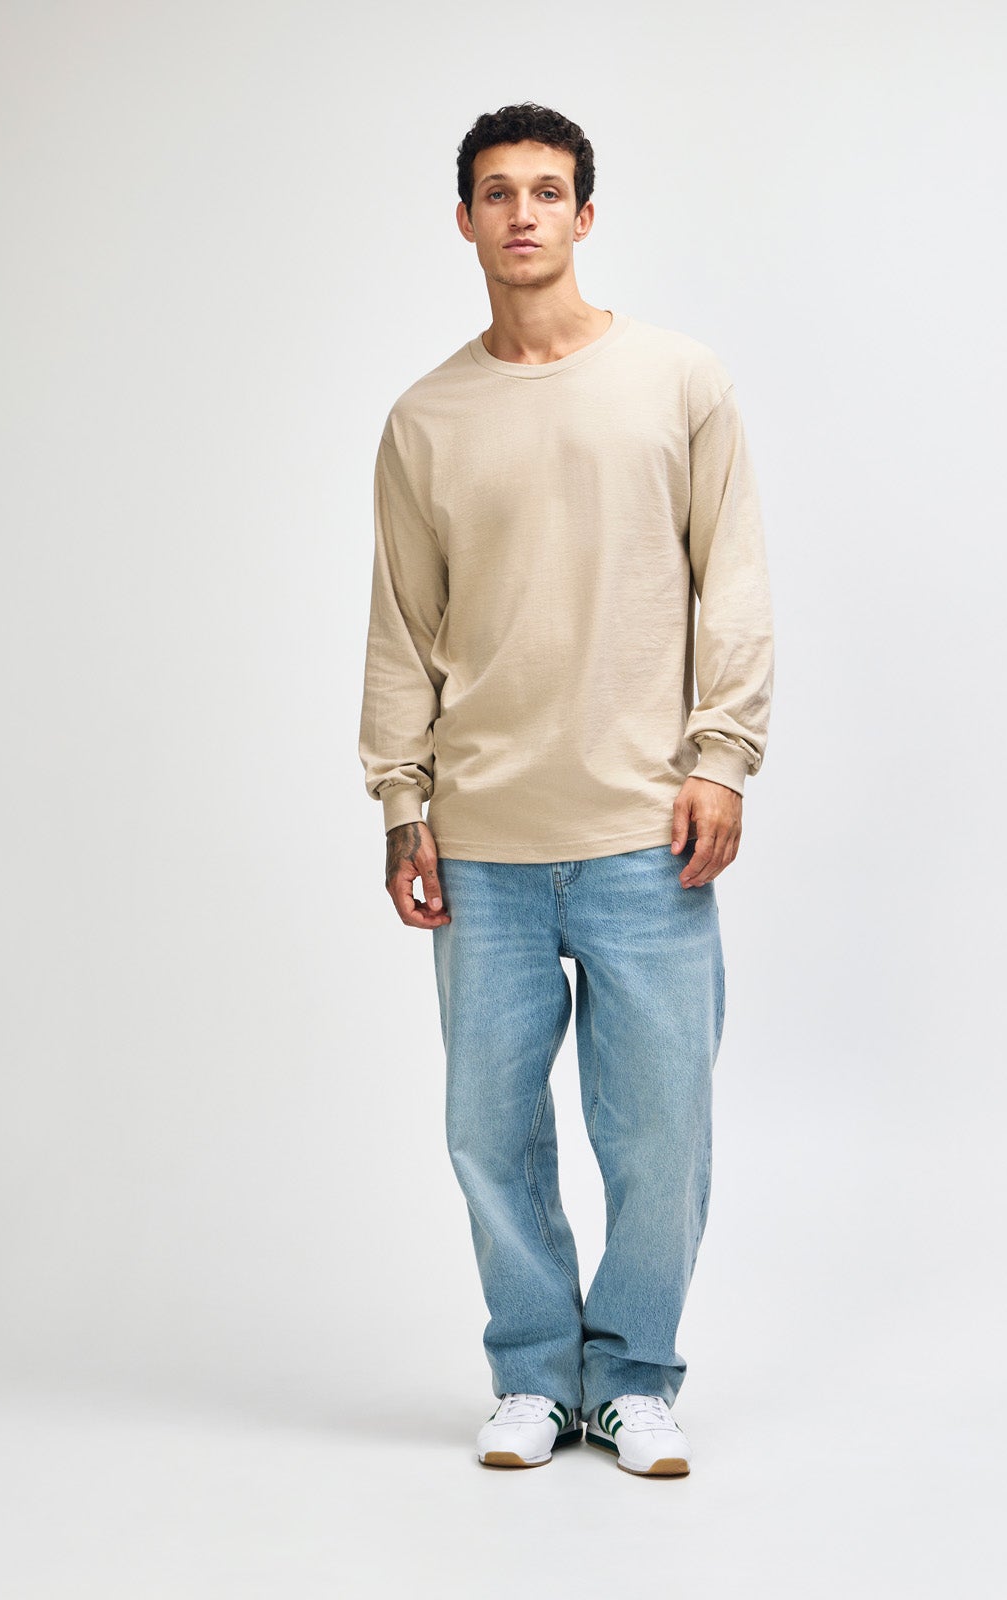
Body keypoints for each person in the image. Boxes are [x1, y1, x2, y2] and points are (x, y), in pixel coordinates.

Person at [358, 101, 775, 1478]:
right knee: (489, 1127)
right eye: (498, 191)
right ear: (466, 220)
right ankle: (535, 1374)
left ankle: (635, 1375)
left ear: (586, 217)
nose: (524, 212)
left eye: (549, 190)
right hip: (480, 838)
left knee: (661, 1128)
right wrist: (401, 802)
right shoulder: (426, 418)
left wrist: (723, 757)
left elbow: (737, 584)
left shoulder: (677, 380)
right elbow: (401, 626)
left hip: (643, 830)